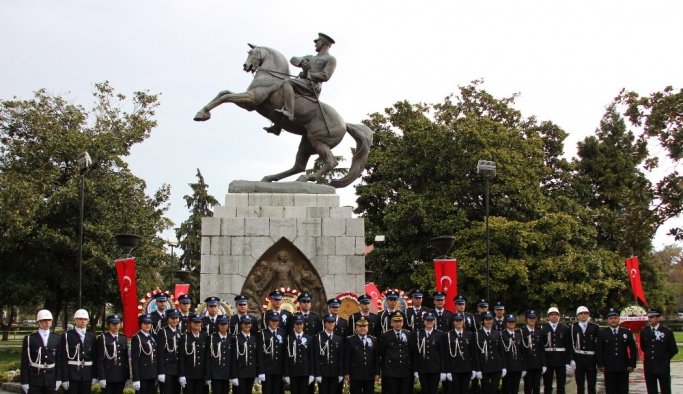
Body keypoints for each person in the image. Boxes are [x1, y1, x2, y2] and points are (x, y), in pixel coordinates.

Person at [265, 33, 337, 135]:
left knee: (287, 82)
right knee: (284, 91)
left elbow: (326, 76)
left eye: (318, 41)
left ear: (324, 44)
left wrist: (308, 75)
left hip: (313, 86)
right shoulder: (310, 58)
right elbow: (293, 59)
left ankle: (289, 113)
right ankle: (278, 126)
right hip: (303, 83)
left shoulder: (330, 59)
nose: (315, 44)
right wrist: (301, 62)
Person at [595, 308, 637, 394]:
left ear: (619, 319)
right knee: (610, 390)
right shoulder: (602, 333)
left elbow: (633, 349)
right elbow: (599, 350)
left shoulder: (626, 332)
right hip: (608, 367)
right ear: (607, 320)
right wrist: (600, 364)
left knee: (623, 390)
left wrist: (632, 364)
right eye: (611, 318)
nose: (613, 320)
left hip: (624, 367)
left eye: (615, 318)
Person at [20, 309, 62, 394]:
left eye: (49, 320)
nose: (47, 322)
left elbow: (59, 360)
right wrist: (24, 381)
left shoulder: (57, 338)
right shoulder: (29, 339)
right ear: (38, 322)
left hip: (51, 379)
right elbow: (25, 361)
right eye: (44, 320)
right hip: (34, 379)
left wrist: (59, 378)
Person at [639, 308, 678, 394]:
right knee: (651, 390)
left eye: (652, 317)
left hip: (662, 366)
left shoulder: (667, 331)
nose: (649, 319)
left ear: (658, 318)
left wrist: (665, 358)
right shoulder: (644, 331)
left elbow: (673, 349)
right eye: (648, 317)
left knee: (666, 389)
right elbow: (643, 347)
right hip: (649, 366)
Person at [61, 309, 97, 394]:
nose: (83, 321)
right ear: (75, 320)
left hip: (87, 375)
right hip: (71, 375)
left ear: (88, 321)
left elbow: (95, 357)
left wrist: (94, 375)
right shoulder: (66, 336)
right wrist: (64, 378)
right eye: (80, 319)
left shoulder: (92, 337)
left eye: (85, 319)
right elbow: (63, 359)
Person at [410, 312, 445, 394]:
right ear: (424, 321)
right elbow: (415, 353)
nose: (429, 322)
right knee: (424, 390)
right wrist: (415, 369)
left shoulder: (440, 334)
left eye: (431, 320)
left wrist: (443, 370)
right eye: (427, 320)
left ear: (434, 321)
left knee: (433, 390)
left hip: (435, 368)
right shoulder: (417, 334)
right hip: (422, 368)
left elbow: (442, 354)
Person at [378, 311, 412, 394]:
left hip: (405, 370)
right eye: (395, 321)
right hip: (390, 371)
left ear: (403, 322)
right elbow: (382, 352)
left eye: (400, 321)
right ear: (391, 323)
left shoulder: (408, 334)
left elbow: (410, 351)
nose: (398, 323)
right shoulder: (385, 335)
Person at [444, 312, 477, 394]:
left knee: (465, 390)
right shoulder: (448, 335)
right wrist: (447, 371)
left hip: (467, 367)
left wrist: (474, 369)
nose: (458, 322)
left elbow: (473, 353)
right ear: (453, 322)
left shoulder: (470, 335)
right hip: (454, 368)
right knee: (455, 390)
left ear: (463, 322)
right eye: (456, 321)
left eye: (460, 320)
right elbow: (446, 355)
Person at [343, 317, 379, 394]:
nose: (362, 328)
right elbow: (347, 358)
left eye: (364, 326)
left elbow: (376, 358)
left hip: (369, 374)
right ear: (356, 328)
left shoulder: (374, 340)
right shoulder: (350, 340)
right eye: (360, 326)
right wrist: (347, 373)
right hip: (355, 374)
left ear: (368, 327)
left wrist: (377, 373)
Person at [569, 306, 599, 394]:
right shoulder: (572, 328)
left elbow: (597, 345)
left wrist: (598, 361)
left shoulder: (595, 327)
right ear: (577, 316)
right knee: (580, 386)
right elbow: (570, 344)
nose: (583, 315)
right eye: (580, 314)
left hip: (591, 359)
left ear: (588, 315)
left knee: (592, 385)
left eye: (585, 313)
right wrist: (571, 359)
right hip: (578, 358)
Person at [96, 315, 129, 394]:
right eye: (113, 324)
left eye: (118, 323)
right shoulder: (103, 338)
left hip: (121, 375)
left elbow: (125, 358)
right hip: (108, 376)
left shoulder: (123, 338)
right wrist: (101, 377)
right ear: (109, 325)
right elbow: (100, 360)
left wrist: (127, 375)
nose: (116, 326)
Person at [541, 307, 570, 394]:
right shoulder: (543, 328)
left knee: (561, 384)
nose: (554, 316)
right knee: (547, 384)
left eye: (555, 315)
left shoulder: (564, 328)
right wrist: (543, 363)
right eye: (551, 315)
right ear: (548, 317)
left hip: (561, 359)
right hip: (548, 359)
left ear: (558, 316)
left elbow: (568, 346)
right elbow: (541, 347)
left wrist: (568, 362)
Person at [474, 311, 505, 394]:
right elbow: (476, 354)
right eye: (486, 319)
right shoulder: (477, 334)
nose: (489, 321)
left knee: (495, 389)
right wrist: (478, 369)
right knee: (485, 389)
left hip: (496, 366)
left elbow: (501, 351)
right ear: (482, 321)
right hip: (484, 366)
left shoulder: (497, 333)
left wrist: (503, 366)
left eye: (490, 319)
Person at [312, 314, 344, 394]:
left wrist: (340, 373)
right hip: (323, 372)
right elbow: (316, 357)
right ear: (325, 324)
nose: (331, 324)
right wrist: (317, 373)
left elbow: (340, 357)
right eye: (329, 322)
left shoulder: (338, 338)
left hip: (335, 372)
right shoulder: (318, 337)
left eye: (332, 322)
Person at [179, 314, 209, 394]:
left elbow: (207, 357)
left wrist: (208, 375)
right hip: (189, 374)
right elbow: (181, 357)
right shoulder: (184, 337)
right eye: (195, 322)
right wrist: (182, 375)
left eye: (199, 322)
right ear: (190, 323)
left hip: (202, 375)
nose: (197, 324)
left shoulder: (205, 336)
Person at [258, 311, 287, 394]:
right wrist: (261, 371)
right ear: (268, 321)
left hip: (279, 370)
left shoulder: (282, 333)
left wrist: (285, 371)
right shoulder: (262, 334)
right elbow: (260, 354)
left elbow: (284, 353)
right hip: (267, 370)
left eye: (276, 321)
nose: (274, 323)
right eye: (272, 321)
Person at [284, 316, 314, 394]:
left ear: (303, 325)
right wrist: (286, 374)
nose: (299, 326)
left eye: (300, 324)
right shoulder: (288, 339)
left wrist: (311, 373)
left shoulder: (309, 339)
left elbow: (311, 357)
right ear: (294, 325)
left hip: (305, 372)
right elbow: (286, 358)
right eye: (297, 324)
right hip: (293, 372)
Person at [131, 314, 158, 394]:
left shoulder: (152, 337)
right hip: (143, 375)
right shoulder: (137, 338)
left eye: (149, 323)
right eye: (145, 323)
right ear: (140, 324)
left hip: (153, 374)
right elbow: (135, 360)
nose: (148, 325)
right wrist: (136, 378)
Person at [519, 310, 545, 394]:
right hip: (527, 364)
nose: (532, 320)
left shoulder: (538, 331)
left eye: (534, 318)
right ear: (526, 319)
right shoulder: (521, 332)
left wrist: (544, 364)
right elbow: (521, 350)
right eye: (530, 318)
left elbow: (541, 349)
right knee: (528, 387)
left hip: (537, 364)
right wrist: (523, 366)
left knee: (537, 386)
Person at [207, 315, 233, 394]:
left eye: (225, 324)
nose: (223, 326)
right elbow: (208, 359)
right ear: (218, 325)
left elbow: (233, 358)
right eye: (221, 324)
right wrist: (208, 376)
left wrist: (233, 375)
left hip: (227, 374)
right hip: (215, 374)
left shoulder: (231, 338)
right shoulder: (211, 338)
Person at [157, 309, 182, 394]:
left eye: (176, 318)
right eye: (172, 318)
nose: (175, 320)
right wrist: (161, 372)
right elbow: (160, 353)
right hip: (167, 370)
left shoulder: (179, 333)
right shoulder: (162, 332)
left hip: (177, 370)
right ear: (168, 319)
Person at [232, 315, 258, 394]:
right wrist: (234, 376)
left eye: (249, 323)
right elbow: (233, 359)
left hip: (251, 372)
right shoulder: (236, 338)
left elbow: (256, 356)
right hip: (240, 373)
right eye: (245, 323)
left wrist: (257, 373)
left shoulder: (254, 338)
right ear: (241, 325)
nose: (247, 325)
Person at [500, 314, 524, 394]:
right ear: (506, 323)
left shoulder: (518, 335)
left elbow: (521, 352)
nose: (511, 323)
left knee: (515, 389)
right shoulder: (502, 335)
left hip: (517, 367)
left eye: (513, 322)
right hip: (507, 367)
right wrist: (503, 366)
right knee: (506, 389)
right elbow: (502, 352)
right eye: (509, 322)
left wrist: (523, 367)